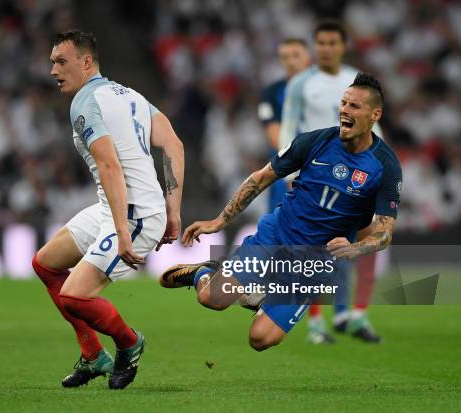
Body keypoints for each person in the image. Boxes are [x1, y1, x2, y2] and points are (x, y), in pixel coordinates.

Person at [160, 72, 402, 353]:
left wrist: (355, 249)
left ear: (375, 114)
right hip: (274, 238)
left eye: (354, 106)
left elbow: (384, 234)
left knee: (260, 340)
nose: (345, 110)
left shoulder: (386, 166)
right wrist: (219, 220)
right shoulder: (314, 142)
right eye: (344, 103)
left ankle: (261, 296)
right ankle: (204, 273)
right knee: (210, 299)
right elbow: (261, 178)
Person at [32, 30, 184, 389]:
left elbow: (110, 167)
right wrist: (173, 210)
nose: (53, 70)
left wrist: (121, 232)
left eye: (61, 61)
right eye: (52, 61)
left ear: (86, 63)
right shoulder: (130, 95)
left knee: (73, 295)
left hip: (132, 216)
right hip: (115, 207)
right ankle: (92, 355)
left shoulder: (85, 103)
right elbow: (173, 144)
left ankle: (129, 343)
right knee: (45, 263)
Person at [279, 20, 384, 344]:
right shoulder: (300, 84)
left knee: (368, 240)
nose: (325, 48)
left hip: (356, 175)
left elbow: (373, 128)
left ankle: (356, 315)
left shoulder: (355, 81)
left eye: (331, 43)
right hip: (318, 176)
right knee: (316, 250)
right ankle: (315, 324)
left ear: (343, 46)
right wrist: (290, 171)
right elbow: (288, 128)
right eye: (320, 43)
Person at [258, 38, 311, 213]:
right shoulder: (272, 93)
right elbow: (275, 136)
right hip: (286, 170)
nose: (291, 61)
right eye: (285, 57)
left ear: (308, 57)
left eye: (296, 55)